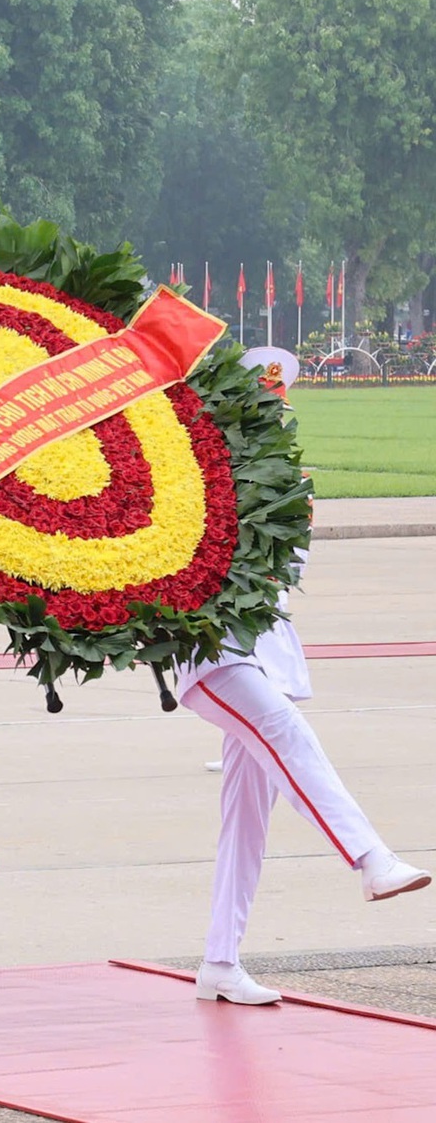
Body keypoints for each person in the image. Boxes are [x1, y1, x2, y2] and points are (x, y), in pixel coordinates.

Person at [180, 347, 429, 1006]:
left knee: (246, 819)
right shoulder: (195, 473)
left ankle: (219, 962)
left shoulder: (288, 486)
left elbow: (287, 577)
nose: (274, 418)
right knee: (286, 733)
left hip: (265, 648)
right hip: (211, 650)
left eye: (279, 408)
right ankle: (372, 860)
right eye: (260, 409)